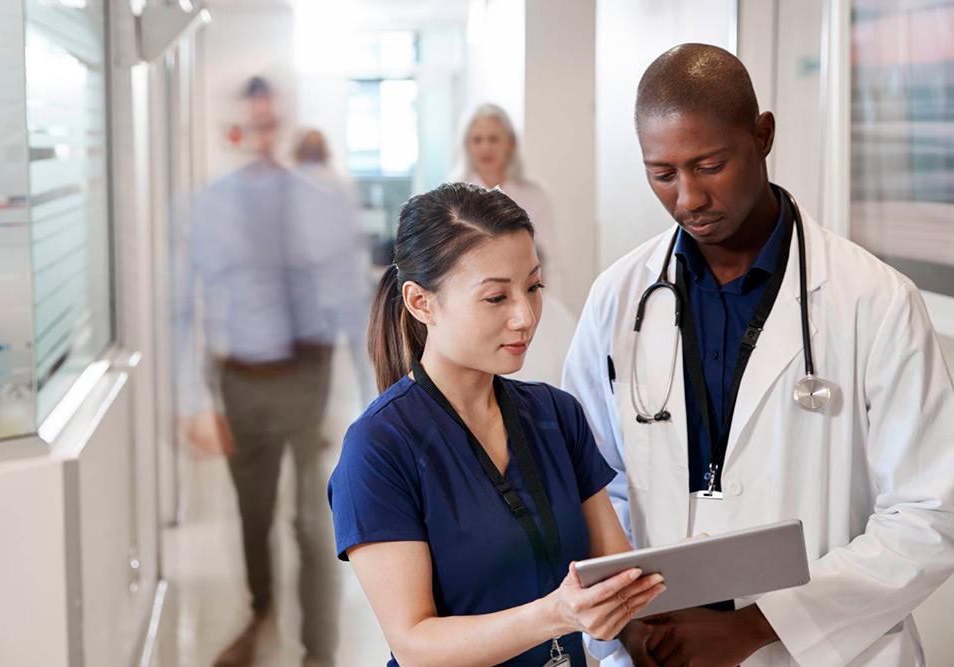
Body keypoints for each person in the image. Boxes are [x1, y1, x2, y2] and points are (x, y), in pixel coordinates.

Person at [563, 44, 954, 666]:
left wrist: (759, 626)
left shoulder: (872, 299)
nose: (688, 197)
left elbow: (929, 512)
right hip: (660, 646)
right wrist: (627, 624)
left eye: (710, 165)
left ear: (763, 135)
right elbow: (590, 484)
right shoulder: (619, 298)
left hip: (832, 650)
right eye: (662, 174)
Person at [328, 182, 666, 666]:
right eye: (495, 298)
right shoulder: (379, 446)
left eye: (533, 287)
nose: (524, 317)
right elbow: (414, 644)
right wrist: (556, 614)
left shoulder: (556, 415)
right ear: (421, 303)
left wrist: (668, 581)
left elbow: (612, 572)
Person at [174, 77, 350, 667]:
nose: (263, 137)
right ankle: (261, 610)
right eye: (253, 125)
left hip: (306, 373)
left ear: (286, 126)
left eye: (273, 124)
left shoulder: (321, 199)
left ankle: (318, 651)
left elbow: (351, 300)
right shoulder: (205, 206)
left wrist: (385, 399)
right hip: (238, 379)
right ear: (234, 131)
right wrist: (191, 399)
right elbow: (179, 308)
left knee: (309, 518)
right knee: (252, 514)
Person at [452, 104, 577, 386]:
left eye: (493, 139)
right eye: (477, 139)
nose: (485, 148)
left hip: (527, 300)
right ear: (466, 145)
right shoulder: (453, 195)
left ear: (510, 143)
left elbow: (552, 259)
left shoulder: (534, 194)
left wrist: (549, 303)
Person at [292, 127, 378, 406]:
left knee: (320, 363)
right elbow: (355, 235)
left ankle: (317, 422)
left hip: (320, 292)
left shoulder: (295, 185)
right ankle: (371, 411)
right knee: (364, 360)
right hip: (349, 286)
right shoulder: (342, 183)